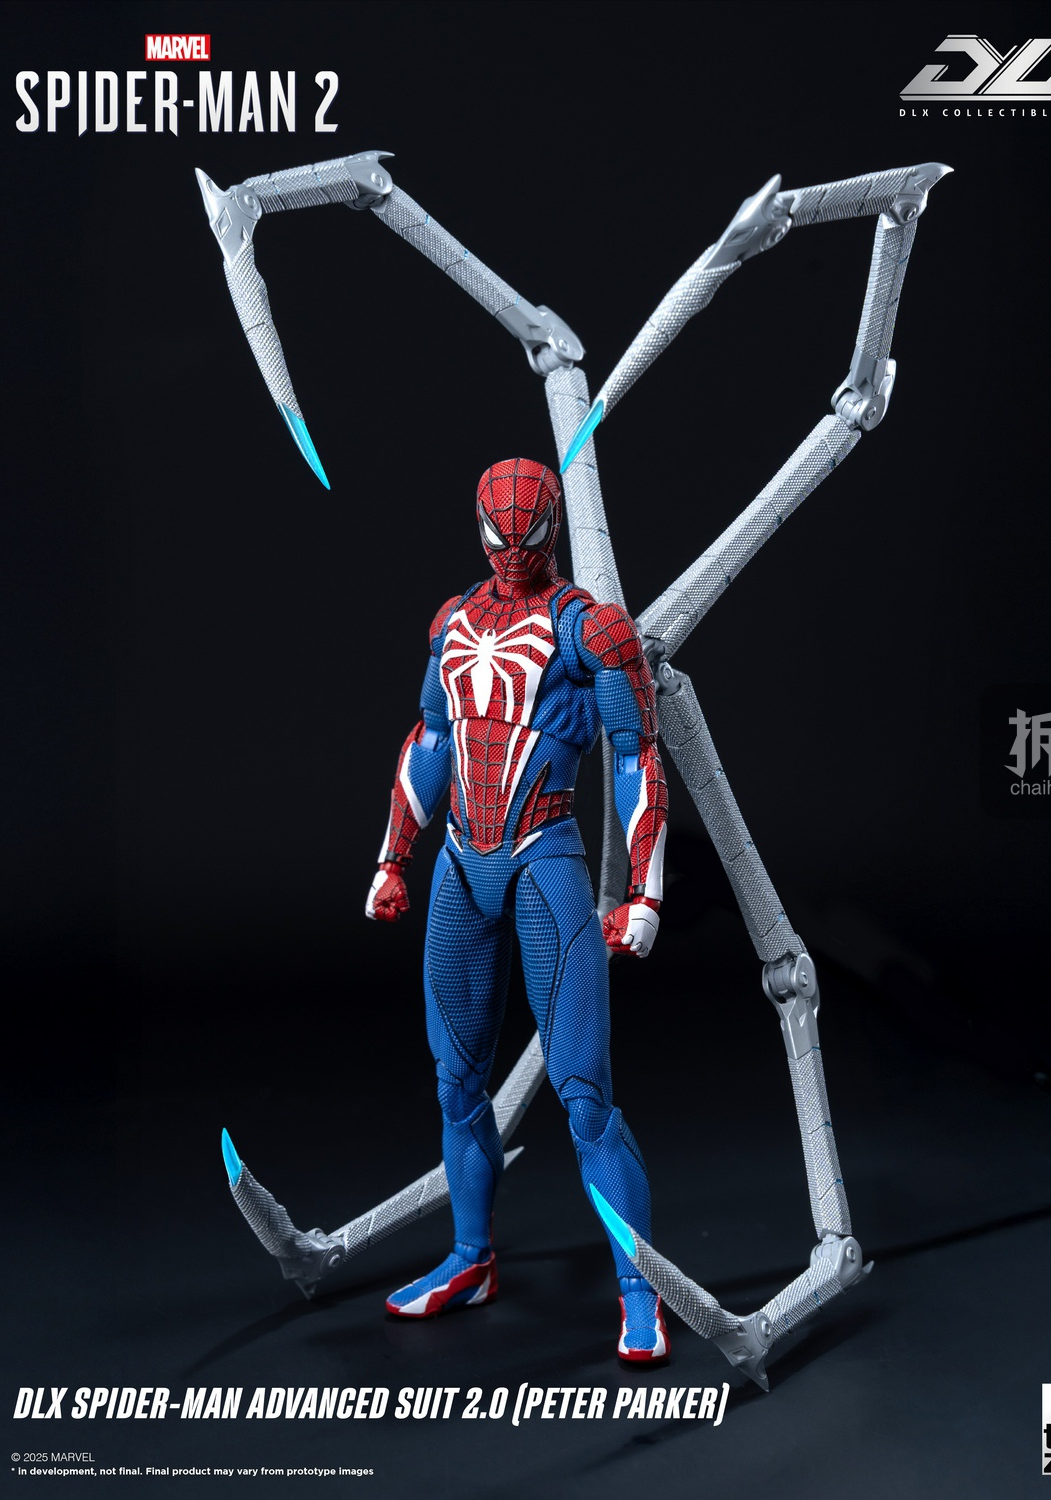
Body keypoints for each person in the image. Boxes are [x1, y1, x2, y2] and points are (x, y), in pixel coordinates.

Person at [365, 457, 670, 1362]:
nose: (510, 552)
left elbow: (636, 754)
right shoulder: (452, 622)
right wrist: (393, 855)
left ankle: (639, 1289)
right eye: (497, 535)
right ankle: (472, 1259)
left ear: (552, 529)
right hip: (463, 862)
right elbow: (432, 739)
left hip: (543, 857)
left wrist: (646, 891)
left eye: (526, 535)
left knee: (584, 1096)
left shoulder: (590, 630)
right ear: (478, 527)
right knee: (456, 1081)